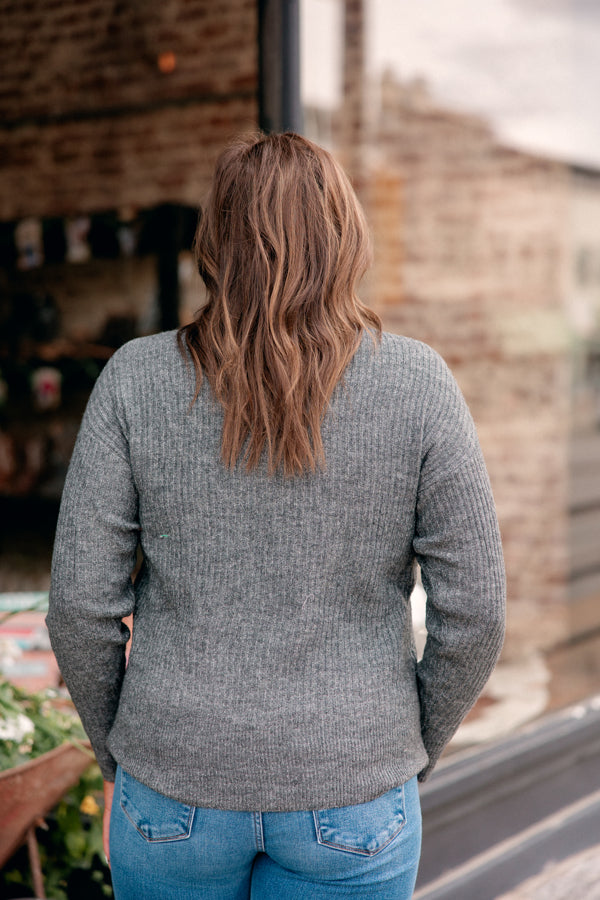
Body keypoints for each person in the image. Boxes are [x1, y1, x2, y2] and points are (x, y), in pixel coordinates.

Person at [46, 132, 505, 900]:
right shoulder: (418, 383)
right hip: (355, 795)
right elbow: (478, 614)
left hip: (174, 787)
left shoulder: (135, 379)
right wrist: (396, 748)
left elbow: (79, 607)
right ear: (345, 237)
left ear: (215, 242)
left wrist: (123, 753)